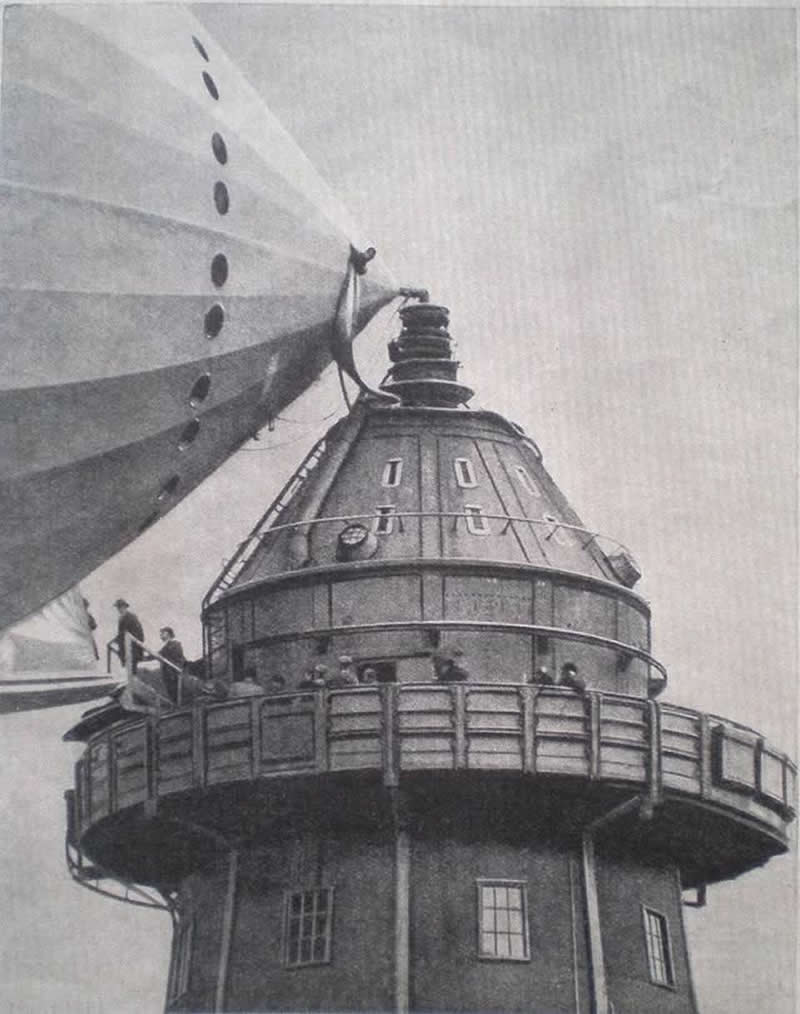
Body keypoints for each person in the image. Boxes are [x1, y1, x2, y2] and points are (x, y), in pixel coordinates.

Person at [114, 598, 144, 673]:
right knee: (127, 671)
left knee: (131, 671)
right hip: (125, 649)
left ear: (125, 607)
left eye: (120, 607)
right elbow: (122, 633)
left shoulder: (131, 617)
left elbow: (139, 634)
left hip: (132, 649)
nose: (119, 609)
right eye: (118, 607)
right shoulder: (122, 618)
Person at [158, 626, 185, 703]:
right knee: (171, 691)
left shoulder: (176, 644)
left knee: (176, 691)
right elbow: (155, 655)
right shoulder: (165, 648)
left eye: (163, 632)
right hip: (168, 674)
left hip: (175, 673)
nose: (161, 635)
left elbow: (179, 658)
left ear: (169, 634)